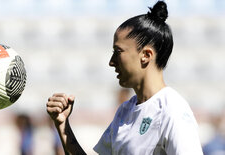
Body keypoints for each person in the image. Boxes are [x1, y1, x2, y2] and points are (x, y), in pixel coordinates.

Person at [46, 1, 203, 154]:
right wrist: (62, 125)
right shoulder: (124, 111)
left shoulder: (172, 110)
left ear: (146, 55)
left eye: (118, 51)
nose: (111, 62)